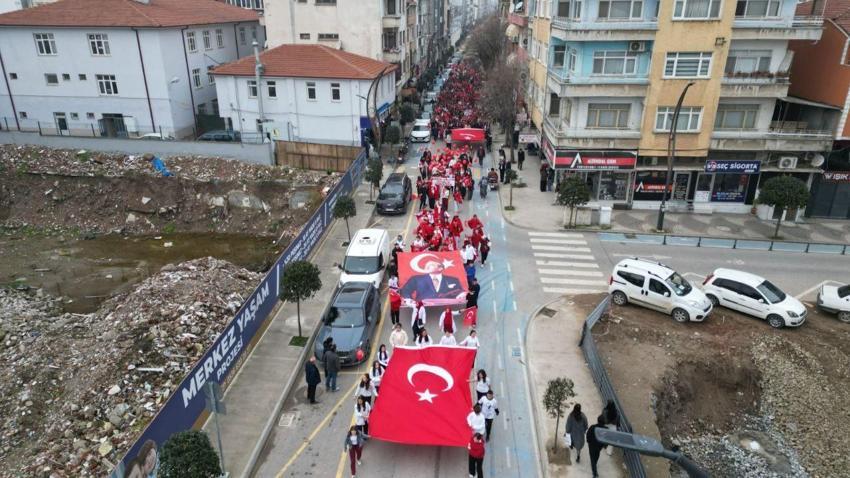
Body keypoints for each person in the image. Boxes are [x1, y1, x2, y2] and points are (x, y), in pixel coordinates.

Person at [399, 258, 466, 302]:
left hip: (445, 307)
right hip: (422, 305)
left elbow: (459, 290)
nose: (427, 265)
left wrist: (461, 294)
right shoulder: (416, 279)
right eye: (426, 264)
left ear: (440, 268)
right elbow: (405, 290)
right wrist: (408, 299)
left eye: (431, 264)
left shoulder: (453, 280)